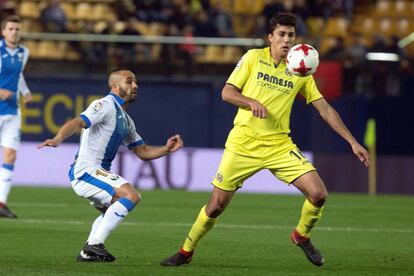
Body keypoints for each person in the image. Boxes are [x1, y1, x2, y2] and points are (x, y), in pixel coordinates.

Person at [160, 13, 369, 267]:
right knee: (215, 206)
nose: (286, 40)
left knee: (318, 194)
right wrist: (251, 101)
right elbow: (227, 93)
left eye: (290, 35)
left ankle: (301, 235)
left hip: (279, 145)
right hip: (243, 143)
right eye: (281, 35)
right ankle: (185, 251)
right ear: (270, 37)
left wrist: (352, 141)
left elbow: (324, 108)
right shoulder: (252, 58)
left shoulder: (300, 69)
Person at [38, 68, 184, 262]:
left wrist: (166, 149)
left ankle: (87, 253)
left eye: (135, 82)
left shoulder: (126, 120)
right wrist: (57, 139)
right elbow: (78, 121)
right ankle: (95, 244)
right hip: (86, 170)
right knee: (131, 195)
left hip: (97, 172)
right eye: (129, 82)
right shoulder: (104, 104)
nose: (135, 86)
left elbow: (142, 151)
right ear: (115, 86)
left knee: (113, 209)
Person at [0, 15, 32, 218]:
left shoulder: (24, 52)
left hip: (12, 110)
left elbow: (19, 75)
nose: (14, 32)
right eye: (10, 29)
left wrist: (25, 91)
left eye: (17, 29)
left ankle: (1, 203)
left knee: (10, 155)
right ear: (3, 32)